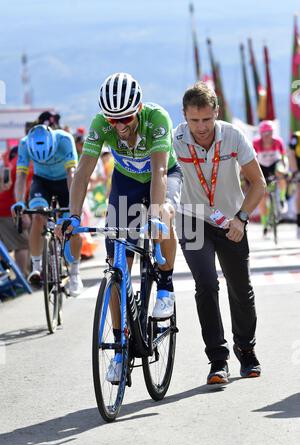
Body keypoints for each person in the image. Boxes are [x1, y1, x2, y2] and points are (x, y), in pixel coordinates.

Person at [60, 72, 183, 382]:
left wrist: (154, 215)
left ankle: (165, 285)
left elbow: (158, 172)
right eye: (112, 120)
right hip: (126, 182)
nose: (119, 125)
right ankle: (119, 347)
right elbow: (83, 173)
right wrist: (73, 216)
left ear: (138, 109)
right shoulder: (101, 124)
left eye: (126, 117)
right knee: (117, 265)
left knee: (164, 215)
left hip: (162, 175)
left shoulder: (157, 119)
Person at [173, 81, 266, 385]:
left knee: (240, 287)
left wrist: (240, 218)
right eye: (193, 120)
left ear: (216, 113)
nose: (201, 127)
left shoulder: (233, 136)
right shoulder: (174, 139)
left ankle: (246, 350)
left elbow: (258, 183)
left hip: (229, 221)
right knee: (207, 284)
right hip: (191, 219)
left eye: (206, 119)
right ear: (184, 116)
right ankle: (217, 359)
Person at [12, 124, 83, 296]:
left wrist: (74, 207)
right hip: (41, 181)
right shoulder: (24, 144)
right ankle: (37, 267)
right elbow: (21, 176)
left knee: (72, 225)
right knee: (37, 216)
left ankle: (75, 272)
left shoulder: (65, 140)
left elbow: (71, 173)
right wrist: (20, 202)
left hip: (64, 181)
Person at [253, 120, 289, 236]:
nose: (268, 136)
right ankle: (265, 224)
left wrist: (286, 170)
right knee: (262, 197)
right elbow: (252, 161)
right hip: (262, 167)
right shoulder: (256, 143)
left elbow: (284, 158)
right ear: (261, 134)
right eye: (265, 133)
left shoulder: (278, 141)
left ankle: (282, 198)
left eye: (270, 133)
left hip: (275, 165)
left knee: (280, 171)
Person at [0, 147, 32, 275]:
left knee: (6, 248)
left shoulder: (9, 162)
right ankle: (22, 277)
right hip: (7, 209)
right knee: (21, 244)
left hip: (8, 208)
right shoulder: (21, 164)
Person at [288, 130, 300, 238]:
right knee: (299, 195)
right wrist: (295, 171)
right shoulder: (296, 136)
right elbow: (291, 154)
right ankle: (299, 223)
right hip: (299, 169)